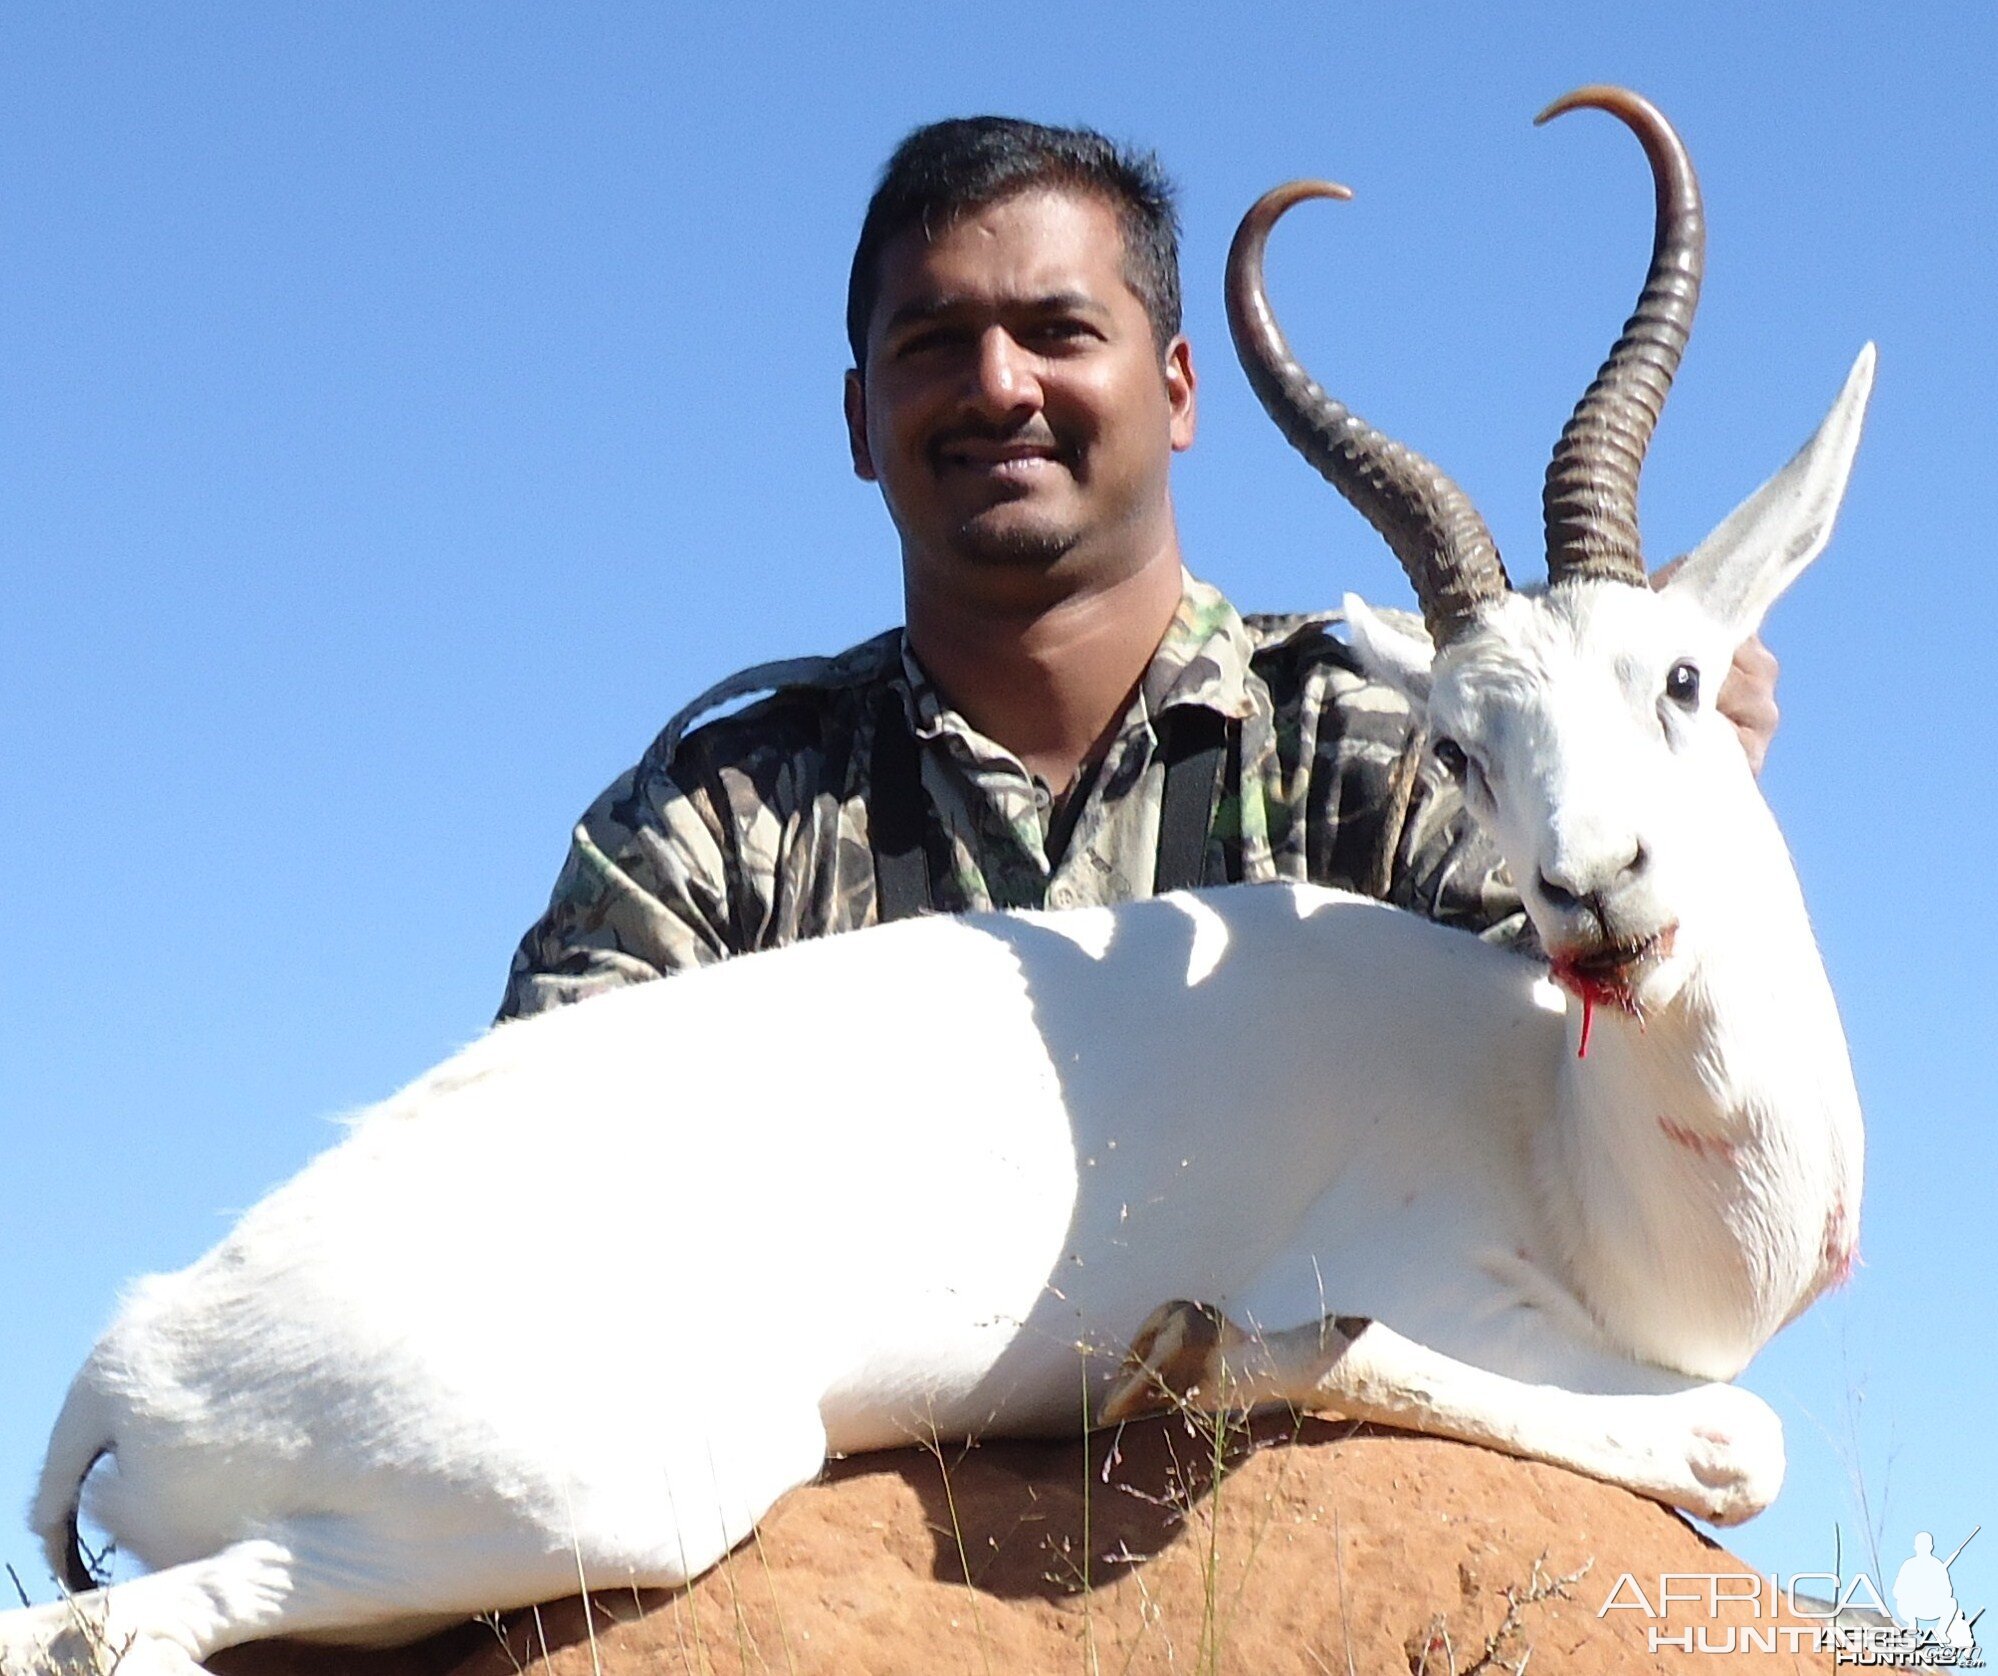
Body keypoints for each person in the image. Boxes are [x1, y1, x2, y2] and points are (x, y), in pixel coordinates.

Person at [496, 117, 1777, 1023]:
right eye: (936, 343)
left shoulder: (1395, 747)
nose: (1000, 385)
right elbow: (536, 1166)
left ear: (1176, 390)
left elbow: (1603, 1097)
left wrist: (1666, 784)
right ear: (856, 423)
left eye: (1058, 331)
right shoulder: (721, 817)